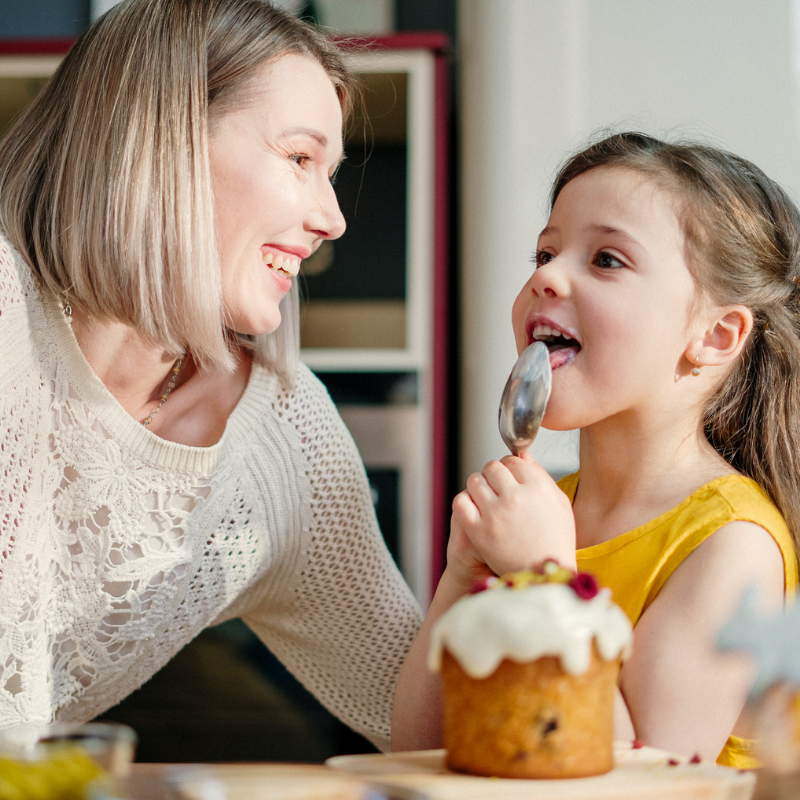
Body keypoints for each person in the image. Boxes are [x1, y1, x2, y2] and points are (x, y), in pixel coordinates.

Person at [0, 0, 427, 751]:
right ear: (160, 140)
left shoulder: (285, 440)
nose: (333, 218)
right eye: (300, 159)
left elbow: (427, 724)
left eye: (329, 174)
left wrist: (518, 571)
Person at [394, 132, 800, 767]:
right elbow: (420, 750)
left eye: (607, 259)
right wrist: (463, 576)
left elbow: (649, 776)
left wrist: (545, 579)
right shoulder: (547, 512)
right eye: (544, 253)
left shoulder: (731, 543)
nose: (547, 276)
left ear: (716, 335)